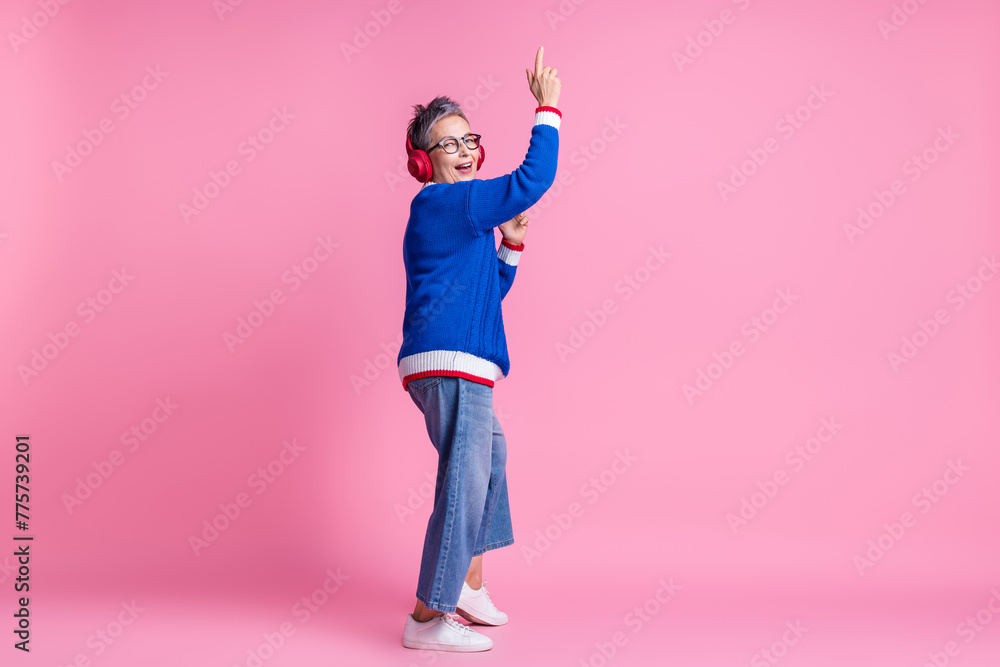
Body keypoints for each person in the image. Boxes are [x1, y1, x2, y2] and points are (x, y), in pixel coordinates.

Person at [397, 46, 562, 652]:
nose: (465, 152)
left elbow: (488, 294)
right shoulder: (448, 203)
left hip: (458, 362)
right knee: (464, 481)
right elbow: (532, 180)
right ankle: (424, 619)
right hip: (451, 364)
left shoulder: (457, 217)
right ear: (424, 162)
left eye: (470, 141)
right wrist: (548, 109)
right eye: (449, 144)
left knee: (487, 465)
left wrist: (509, 247)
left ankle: (465, 585)